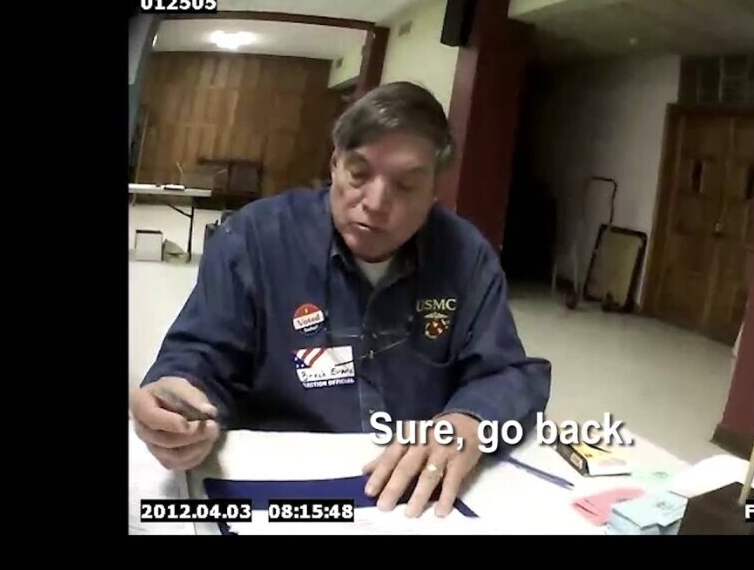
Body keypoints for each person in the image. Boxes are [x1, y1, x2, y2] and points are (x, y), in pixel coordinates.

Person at [129, 81, 552, 519]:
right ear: (334, 164)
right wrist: (178, 395)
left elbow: (510, 374)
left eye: (406, 185)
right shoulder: (254, 238)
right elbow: (200, 355)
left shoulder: (465, 255)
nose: (376, 203)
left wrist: (470, 421)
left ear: (434, 191)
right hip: (280, 488)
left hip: (415, 497)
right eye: (359, 173)